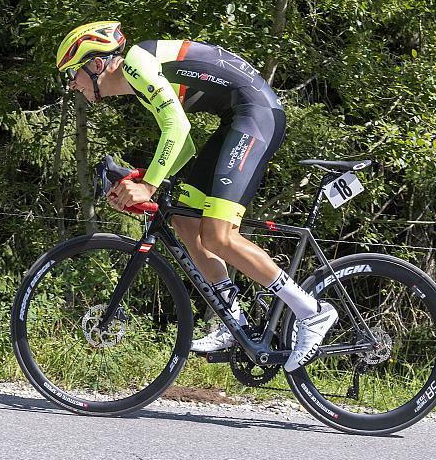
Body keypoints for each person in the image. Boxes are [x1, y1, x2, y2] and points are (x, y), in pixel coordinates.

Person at [56, 21, 338, 372]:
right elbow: (184, 146)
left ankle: (311, 312)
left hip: (255, 116)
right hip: (235, 119)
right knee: (185, 220)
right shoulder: (138, 79)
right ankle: (233, 323)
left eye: (72, 74)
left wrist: (149, 186)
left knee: (218, 236)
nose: (71, 84)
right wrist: (144, 180)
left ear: (96, 65)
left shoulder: (137, 64)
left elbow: (178, 128)